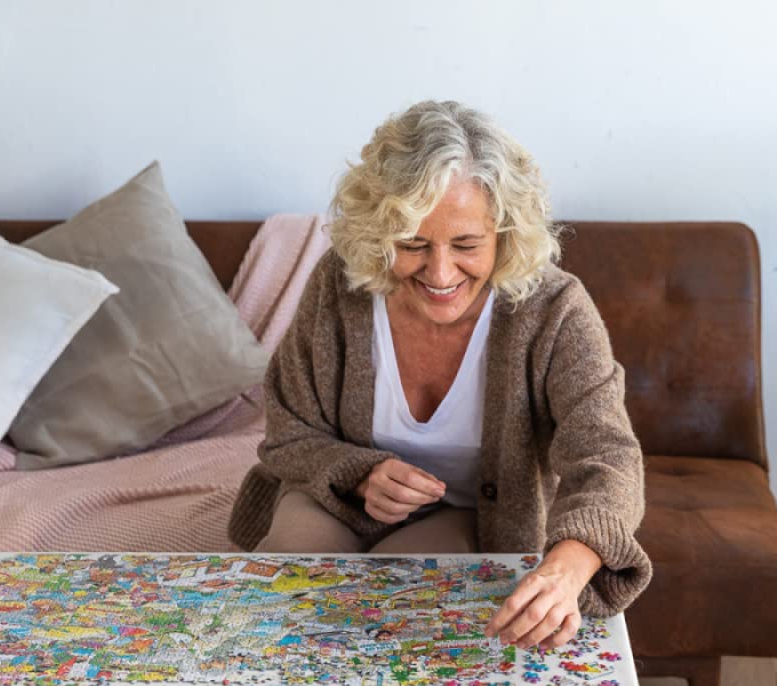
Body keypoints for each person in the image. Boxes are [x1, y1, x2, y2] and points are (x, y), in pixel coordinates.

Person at [228, 100, 651, 650]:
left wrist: (567, 566)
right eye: (413, 245)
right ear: (380, 234)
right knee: (279, 590)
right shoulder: (341, 283)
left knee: (409, 605)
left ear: (505, 233)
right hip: (332, 498)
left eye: (467, 245)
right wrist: (359, 472)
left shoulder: (555, 310)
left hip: (465, 512)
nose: (441, 272)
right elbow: (287, 431)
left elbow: (609, 457)